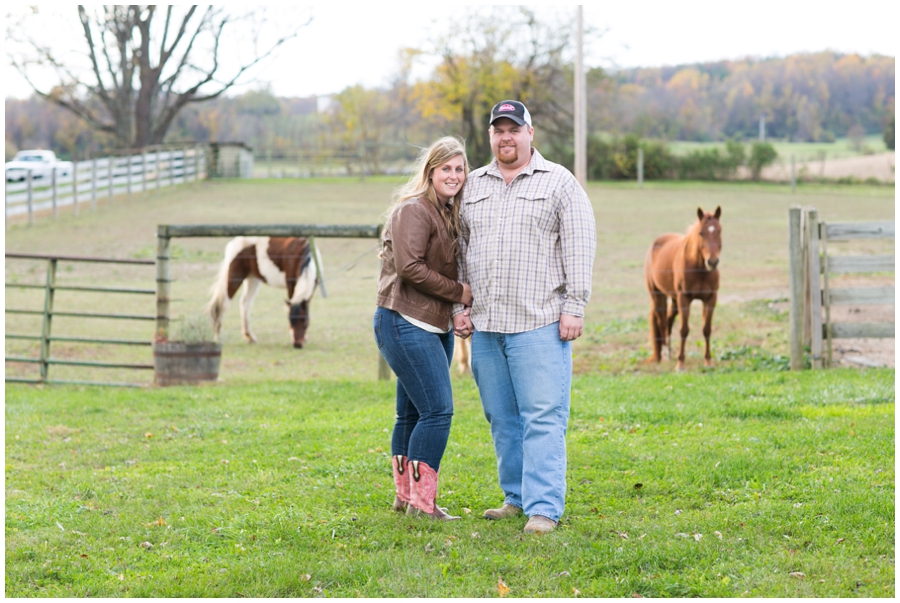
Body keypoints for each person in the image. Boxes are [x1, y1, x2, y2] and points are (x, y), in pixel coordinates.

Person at [452, 100, 596, 534]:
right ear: (491, 136)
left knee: (543, 415)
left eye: (514, 129)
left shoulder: (559, 183)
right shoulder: (473, 185)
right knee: (502, 416)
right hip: (487, 325)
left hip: (539, 323)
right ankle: (515, 497)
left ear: (530, 133)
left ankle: (544, 508)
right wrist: (460, 307)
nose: (506, 137)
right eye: (498, 130)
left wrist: (575, 306)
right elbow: (458, 252)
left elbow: (580, 244)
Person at [374, 136, 473, 520]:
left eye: (459, 168)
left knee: (412, 414)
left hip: (431, 324)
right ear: (430, 171)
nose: (453, 175)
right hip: (404, 321)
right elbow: (410, 268)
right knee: (438, 411)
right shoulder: (414, 209)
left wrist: (454, 309)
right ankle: (422, 504)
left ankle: (406, 497)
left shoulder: (447, 211)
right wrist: (460, 292)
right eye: (445, 168)